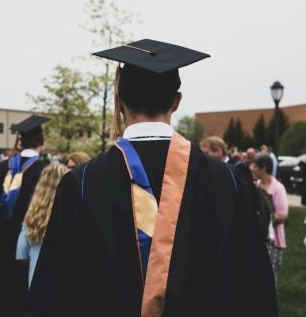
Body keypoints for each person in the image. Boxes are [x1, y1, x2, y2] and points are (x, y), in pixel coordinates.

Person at [28, 39, 277, 317]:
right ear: (176, 101)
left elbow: (53, 294)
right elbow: (255, 289)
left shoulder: (83, 183)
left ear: (118, 100)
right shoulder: (227, 180)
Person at [0, 114, 50, 316]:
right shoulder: (43, 171)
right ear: (41, 140)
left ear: (21, 139)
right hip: (23, 247)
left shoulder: (1, 168)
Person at [16, 163, 69, 287]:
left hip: (36, 281)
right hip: (64, 281)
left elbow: (21, 253)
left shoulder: (32, 216)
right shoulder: (71, 212)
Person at [250, 154, 288, 287]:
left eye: (255, 166)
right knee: (257, 275)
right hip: (259, 238)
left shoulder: (278, 188)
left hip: (273, 241)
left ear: (264, 168)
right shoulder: (256, 186)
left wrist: (264, 219)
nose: (251, 168)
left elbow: (282, 215)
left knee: (270, 277)